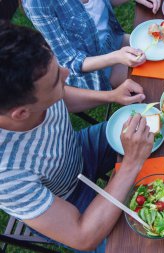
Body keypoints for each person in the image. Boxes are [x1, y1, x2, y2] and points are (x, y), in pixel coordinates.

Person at [0, 21, 154, 252]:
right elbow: (83, 236)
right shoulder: (6, 176)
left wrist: (111, 96)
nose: (67, 73)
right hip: (70, 202)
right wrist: (131, 164)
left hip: (80, 149)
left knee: (157, 123)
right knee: (141, 241)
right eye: (55, 80)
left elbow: (58, 96)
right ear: (21, 113)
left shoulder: (37, 92)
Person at [21, 0, 161, 91]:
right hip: (96, 70)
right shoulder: (37, 4)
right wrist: (116, 57)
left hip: (113, 39)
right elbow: (70, 62)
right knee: (157, 82)